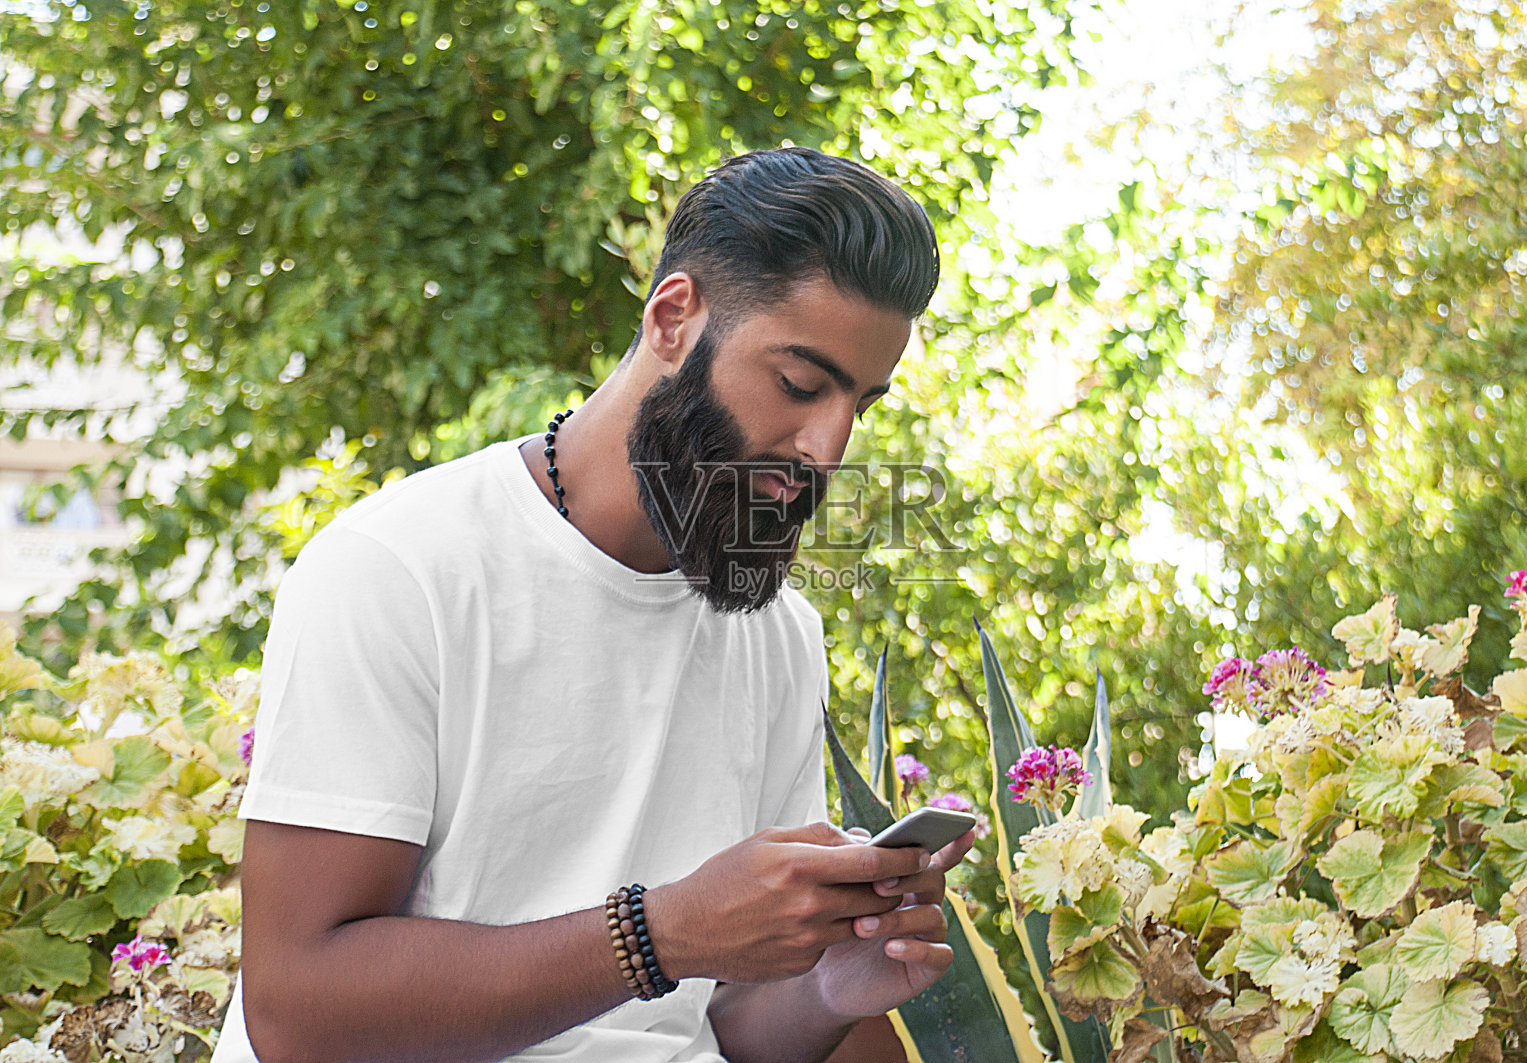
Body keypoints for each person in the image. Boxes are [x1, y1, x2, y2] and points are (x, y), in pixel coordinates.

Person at [214, 146, 975, 1063]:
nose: (827, 448)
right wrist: (659, 935)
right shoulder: (397, 571)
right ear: (673, 318)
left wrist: (824, 995)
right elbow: (301, 1011)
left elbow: (732, 1020)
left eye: (862, 404)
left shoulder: (778, 635)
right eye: (800, 384)